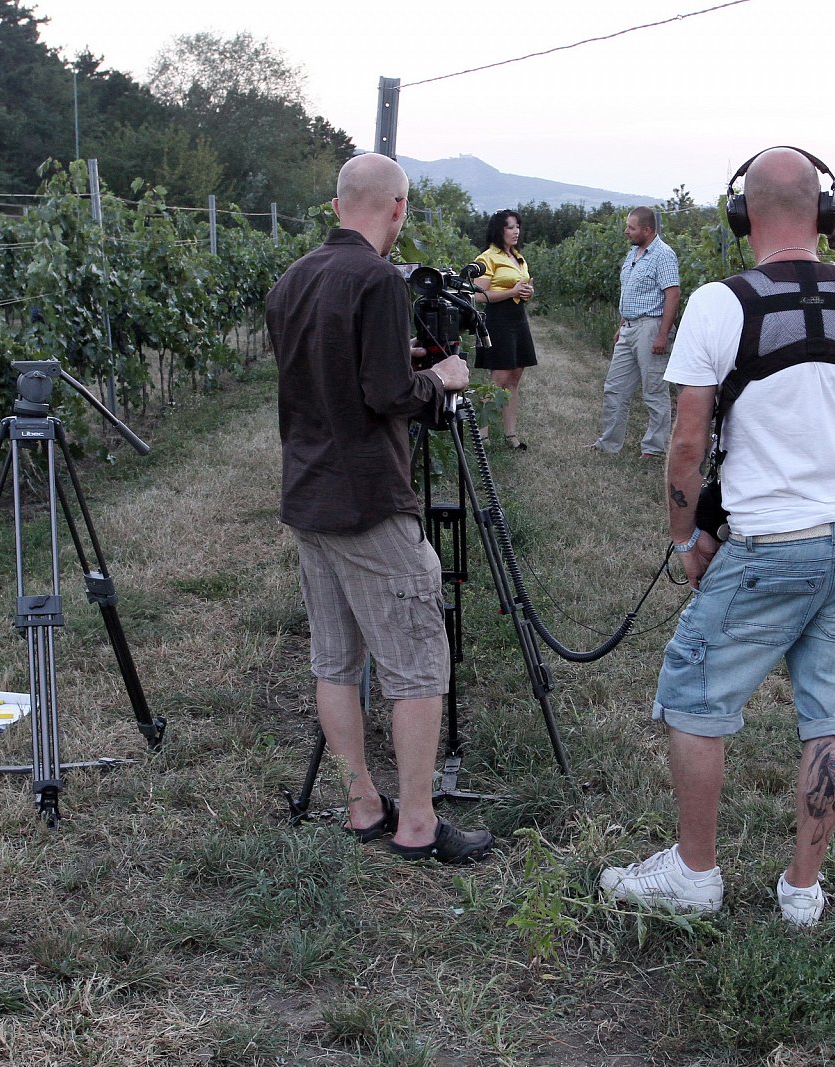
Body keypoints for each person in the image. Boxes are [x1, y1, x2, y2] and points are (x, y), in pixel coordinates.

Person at [599, 148, 835, 925]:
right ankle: (802, 891)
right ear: (823, 216)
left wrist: (686, 537)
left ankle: (693, 872)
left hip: (765, 546)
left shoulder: (721, 303)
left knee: (693, 692)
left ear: (742, 217)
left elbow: (687, 440)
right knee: (832, 712)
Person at [267, 152, 494, 865]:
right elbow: (389, 395)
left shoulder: (291, 279)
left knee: (336, 659)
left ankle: (363, 803)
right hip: (368, 497)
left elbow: (326, 377)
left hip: (308, 492)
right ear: (397, 207)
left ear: (338, 204)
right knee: (419, 659)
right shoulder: (374, 278)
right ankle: (419, 823)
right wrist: (442, 378)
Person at [589, 207, 681, 458]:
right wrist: (621, 326)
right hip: (629, 328)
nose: (626, 231)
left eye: (631, 227)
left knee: (654, 390)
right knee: (614, 388)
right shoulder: (633, 254)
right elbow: (629, 293)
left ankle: (654, 448)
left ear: (648, 230)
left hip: (651, 328)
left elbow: (672, 295)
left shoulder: (663, 255)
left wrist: (662, 334)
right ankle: (608, 444)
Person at [471, 209, 537, 450]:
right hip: (497, 319)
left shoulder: (517, 257)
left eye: (517, 226)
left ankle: (511, 435)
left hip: (518, 318)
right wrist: (512, 292)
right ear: (499, 230)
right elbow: (478, 297)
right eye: (510, 227)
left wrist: (529, 292)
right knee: (498, 378)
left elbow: (524, 285)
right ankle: (482, 434)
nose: (516, 230)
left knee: (515, 376)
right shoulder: (487, 258)